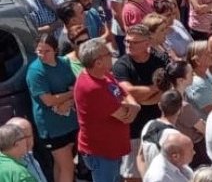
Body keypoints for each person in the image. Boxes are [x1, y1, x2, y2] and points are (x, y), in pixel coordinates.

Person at [75, 38, 139, 182]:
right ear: (98, 62)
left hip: (113, 148)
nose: (112, 55)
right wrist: (134, 108)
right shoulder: (92, 88)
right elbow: (124, 115)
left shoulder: (103, 74)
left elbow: (122, 91)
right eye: (108, 54)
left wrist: (134, 105)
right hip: (102, 153)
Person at [113, 24, 168, 182]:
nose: (129, 45)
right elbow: (127, 92)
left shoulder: (160, 60)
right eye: (127, 41)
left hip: (158, 126)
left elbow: (168, 90)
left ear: (147, 43)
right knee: (133, 175)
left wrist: (143, 98)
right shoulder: (121, 65)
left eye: (134, 42)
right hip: (134, 130)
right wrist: (155, 88)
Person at [25, 33, 76, 182]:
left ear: (55, 50)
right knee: (68, 167)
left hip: (70, 122)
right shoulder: (35, 71)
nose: (42, 55)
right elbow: (48, 100)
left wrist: (68, 101)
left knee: (60, 166)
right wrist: (69, 95)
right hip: (52, 127)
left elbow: (75, 87)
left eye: (46, 51)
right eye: (39, 51)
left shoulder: (63, 63)